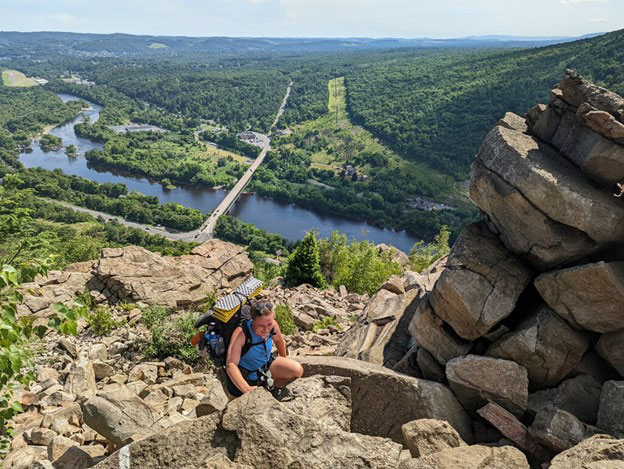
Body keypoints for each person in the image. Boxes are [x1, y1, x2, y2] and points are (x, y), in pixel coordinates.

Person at [225, 301, 303, 398]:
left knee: (297, 370)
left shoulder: (273, 325)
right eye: (261, 326)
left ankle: (272, 390)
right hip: (243, 375)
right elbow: (231, 365)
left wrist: (283, 359)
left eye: (269, 324)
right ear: (253, 321)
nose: (266, 330)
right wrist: (246, 389)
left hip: (264, 366)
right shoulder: (241, 334)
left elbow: (279, 341)